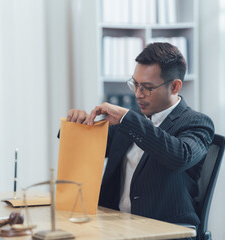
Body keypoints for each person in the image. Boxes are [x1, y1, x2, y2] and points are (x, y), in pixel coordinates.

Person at [66, 42, 214, 238]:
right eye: (135, 84)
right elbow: (90, 150)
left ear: (175, 86)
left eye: (147, 88)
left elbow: (179, 156)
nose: (138, 94)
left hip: (164, 231)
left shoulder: (197, 122)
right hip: (115, 226)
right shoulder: (131, 119)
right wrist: (79, 125)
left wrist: (128, 119)